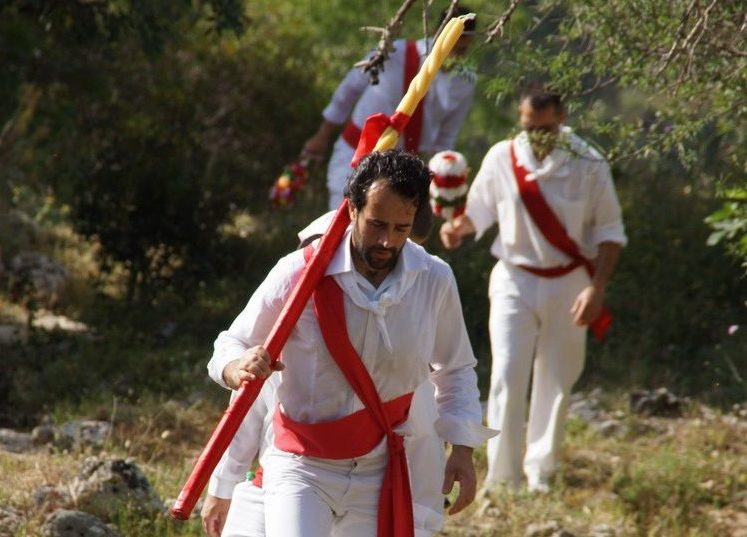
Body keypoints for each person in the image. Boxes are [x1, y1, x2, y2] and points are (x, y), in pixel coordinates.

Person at [206, 150, 492, 537]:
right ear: (353, 208)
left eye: (401, 228)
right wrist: (235, 366)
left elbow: (455, 368)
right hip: (301, 465)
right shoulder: (298, 274)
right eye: (376, 224)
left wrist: (461, 448)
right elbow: (234, 341)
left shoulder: (434, 279)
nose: (386, 241)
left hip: (382, 469)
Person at [440, 87, 627, 493]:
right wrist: (457, 229)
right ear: (521, 121)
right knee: (507, 373)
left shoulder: (589, 161)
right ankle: (503, 478)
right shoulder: (502, 157)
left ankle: (542, 470)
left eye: (544, 129)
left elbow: (610, 232)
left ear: (561, 118)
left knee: (557, 378)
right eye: (529, 127)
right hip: (514, 277)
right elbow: (477, 212)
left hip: (569, 281)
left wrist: (596, 289)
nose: (536, 137)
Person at [302, 7, 477, 210]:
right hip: (356, 155)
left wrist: (442, 178)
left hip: (403, 172)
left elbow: (446, 136)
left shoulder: (465, 82)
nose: (455, 54)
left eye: (462, 50)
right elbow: (348, 90)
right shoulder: (396, 52)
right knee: (340, 222)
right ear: (440, 32)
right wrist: (322, 136)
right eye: (453, 46)